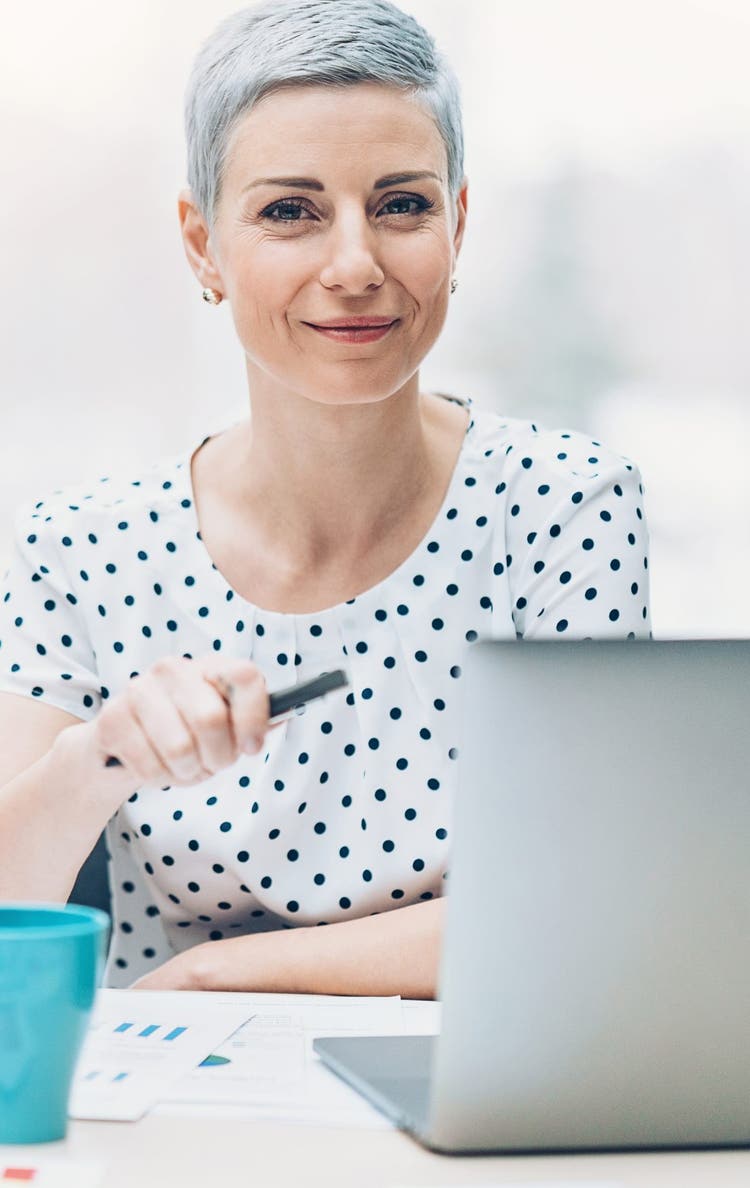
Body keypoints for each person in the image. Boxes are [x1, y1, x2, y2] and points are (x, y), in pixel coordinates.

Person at [0, 0, 650, 996]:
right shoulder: (79, 548)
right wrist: (100, 760)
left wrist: (218, 973)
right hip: (165, 1122)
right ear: (201, 243)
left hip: (476, 1109)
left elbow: (593, 902)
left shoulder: (563, 508)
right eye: (290, 211)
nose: (355, 265)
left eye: (401, 205)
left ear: (458, 224)